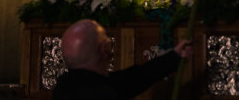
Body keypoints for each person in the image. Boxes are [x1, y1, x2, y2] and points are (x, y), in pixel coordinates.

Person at [53, 19, 192, 100]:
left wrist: (174, 56)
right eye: (107, 38)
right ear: (104, 49)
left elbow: (134, 78)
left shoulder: (65, 85)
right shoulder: (101, 94)